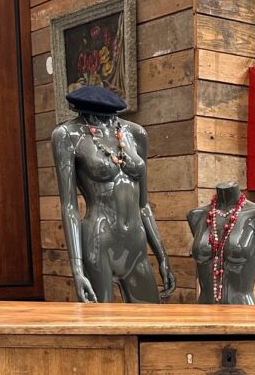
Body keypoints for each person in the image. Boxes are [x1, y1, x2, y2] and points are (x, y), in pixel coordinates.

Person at [51, 85, 175, 303]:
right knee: (101, 321)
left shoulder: (135, 133)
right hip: (99, 240)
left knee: (151, 316)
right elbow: (69, 206)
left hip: (136, 243)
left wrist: (162, 256)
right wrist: (77, 269)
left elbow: (143, 205)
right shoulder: (67, 135)